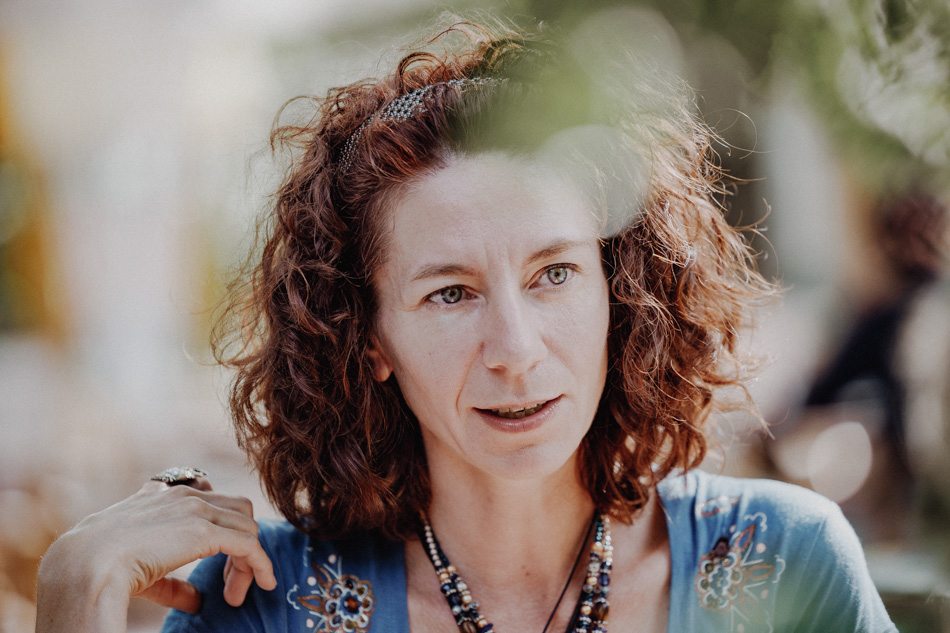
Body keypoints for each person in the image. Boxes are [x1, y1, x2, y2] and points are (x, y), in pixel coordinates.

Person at [35, 20, 898, 633]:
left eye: (554, 273)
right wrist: (73, 598)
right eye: (450, 293)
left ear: (619, 291)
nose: (516, 351)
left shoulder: (789, 558)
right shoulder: (262, 605)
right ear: (368, 337)